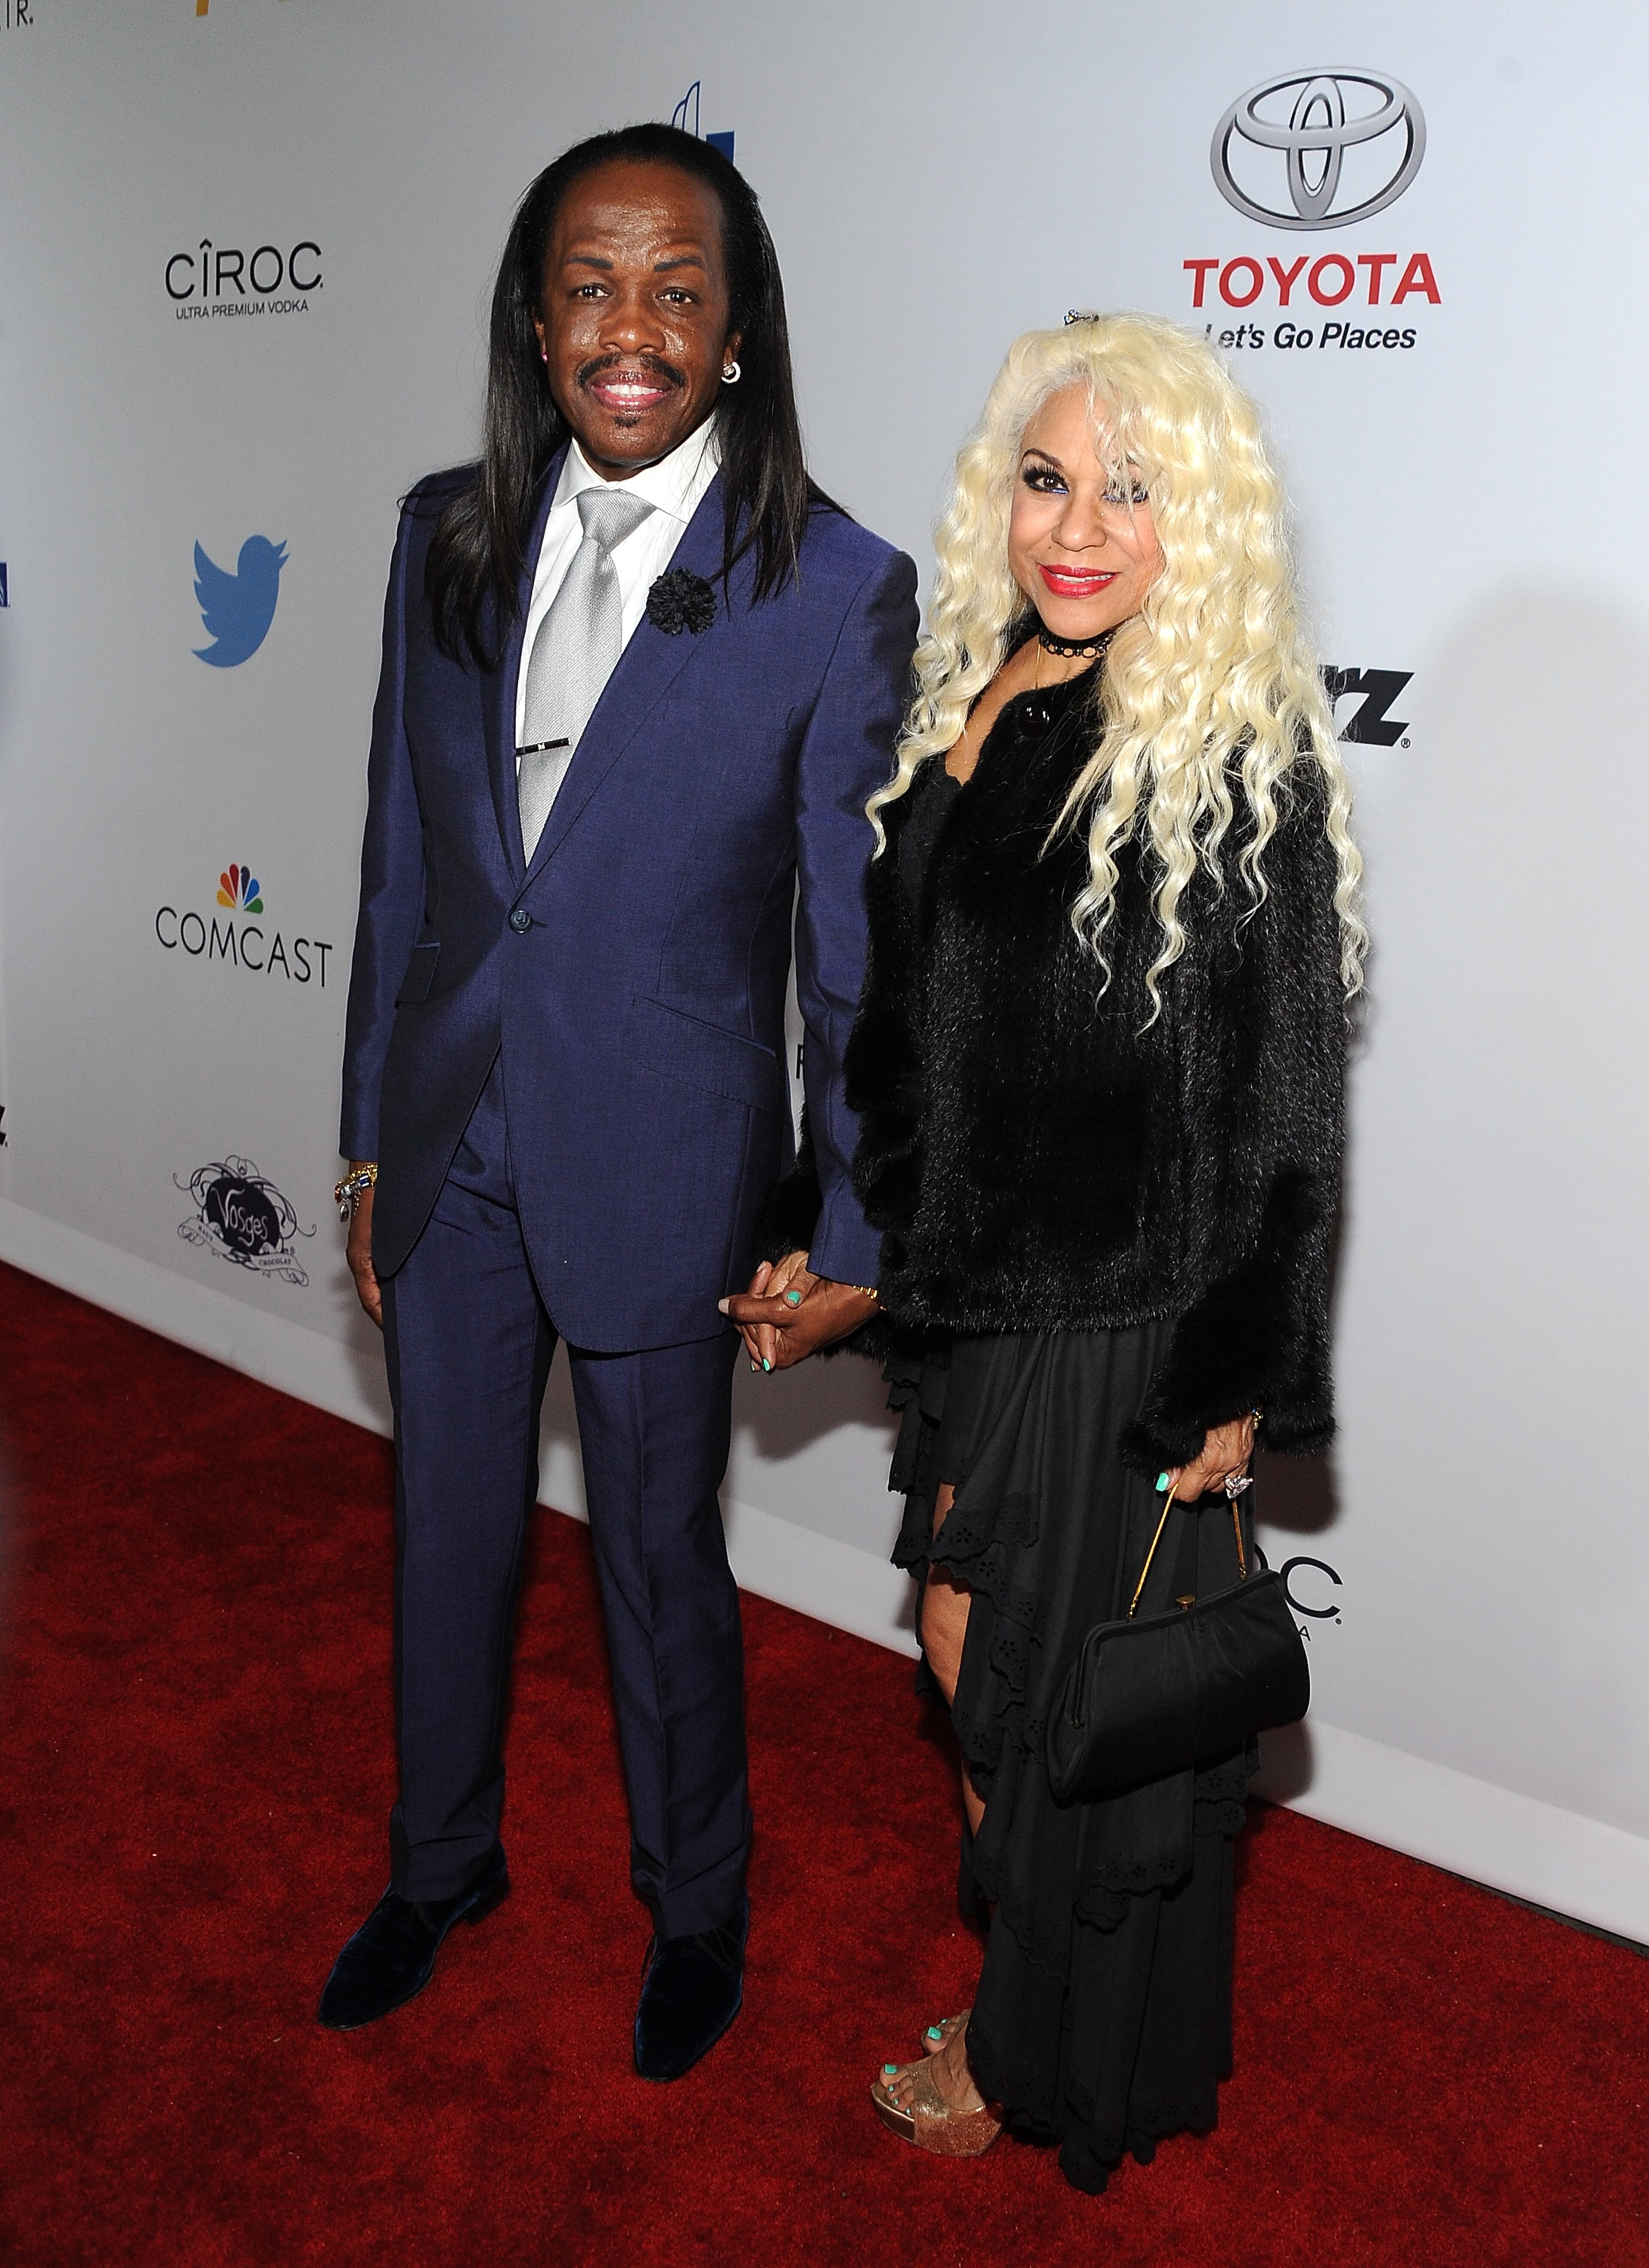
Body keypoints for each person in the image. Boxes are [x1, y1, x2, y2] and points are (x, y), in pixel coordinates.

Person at [735, 313, 1363, 2188]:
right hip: (977, 1310)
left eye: (1130, 491)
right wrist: (832, 1224)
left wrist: (1242, 1374)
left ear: (1203, 520)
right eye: (1045, 479)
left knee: (1040, 1689)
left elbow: (1291, 1111)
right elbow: (913, 1020)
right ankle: (1036, 2003)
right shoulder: (997, 683)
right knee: (972, 1656)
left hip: (1127, 1321)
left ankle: (1032, 2051)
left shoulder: (1234, 749)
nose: (1077, 527)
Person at [322, 123, 913, 2078]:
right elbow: (400, 870)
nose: (630, 326)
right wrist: (371, 1135)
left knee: (658, 1562)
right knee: (447, 1532)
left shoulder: (834, 586)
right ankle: (439, 1865)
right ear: (536, 318)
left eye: (677, 287)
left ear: (739, 331)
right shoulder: (445, 534)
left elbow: (852, 955)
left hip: (663, 1159)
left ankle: (697, 1903)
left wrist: (850, 1222)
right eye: (590, 285)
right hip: (454, 1145)